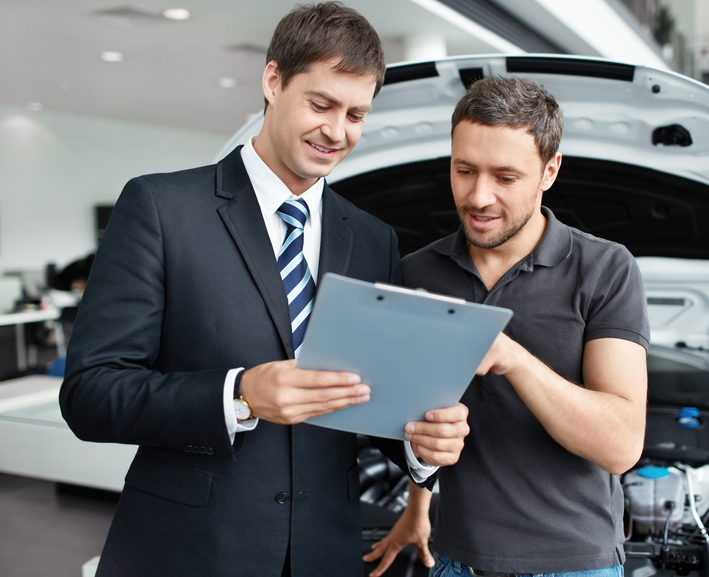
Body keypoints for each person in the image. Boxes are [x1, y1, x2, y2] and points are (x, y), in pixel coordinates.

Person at [59, 4, 469, 576]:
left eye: (356, 113)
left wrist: (421, 446)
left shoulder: (375, 239)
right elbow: (90, 394)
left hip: (325, 554)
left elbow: (374, 399)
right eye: (320, 104)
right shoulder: (161, 208)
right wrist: (239, 394)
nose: (337, 130)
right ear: (273, 81)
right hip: (187, 552)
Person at [363, 77, 650, 577]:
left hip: (575, 565)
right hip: (455, 561)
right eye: (464, 170)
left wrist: (513, 359)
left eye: (505, 177)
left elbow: (621, 446)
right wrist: (417, 505)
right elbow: (418, 410)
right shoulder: (415, 274)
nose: (478, 197)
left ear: (549, 171)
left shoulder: (606, 269)